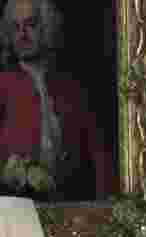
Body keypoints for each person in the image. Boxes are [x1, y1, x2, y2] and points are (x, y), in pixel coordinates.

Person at [0, 0, 114, 200]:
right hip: (16, 209)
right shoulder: (3, 84)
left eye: (31, 24)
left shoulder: (72, 88)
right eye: (16, 27)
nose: (22, 34)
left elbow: (99, 156)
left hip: (70, 205)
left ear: (47, 26)